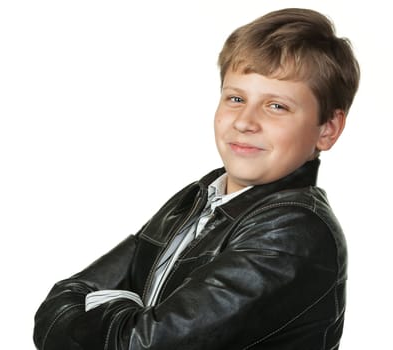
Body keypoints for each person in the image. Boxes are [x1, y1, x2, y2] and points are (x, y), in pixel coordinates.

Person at [33, 7, 360, 350]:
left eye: (276, 106)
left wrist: (120, 311)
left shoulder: (292, 230)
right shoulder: (196, 199)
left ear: (328, 129)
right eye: (236, 98)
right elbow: (56, 306)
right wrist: (129, 316)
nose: (245, 121)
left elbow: (141, 345)